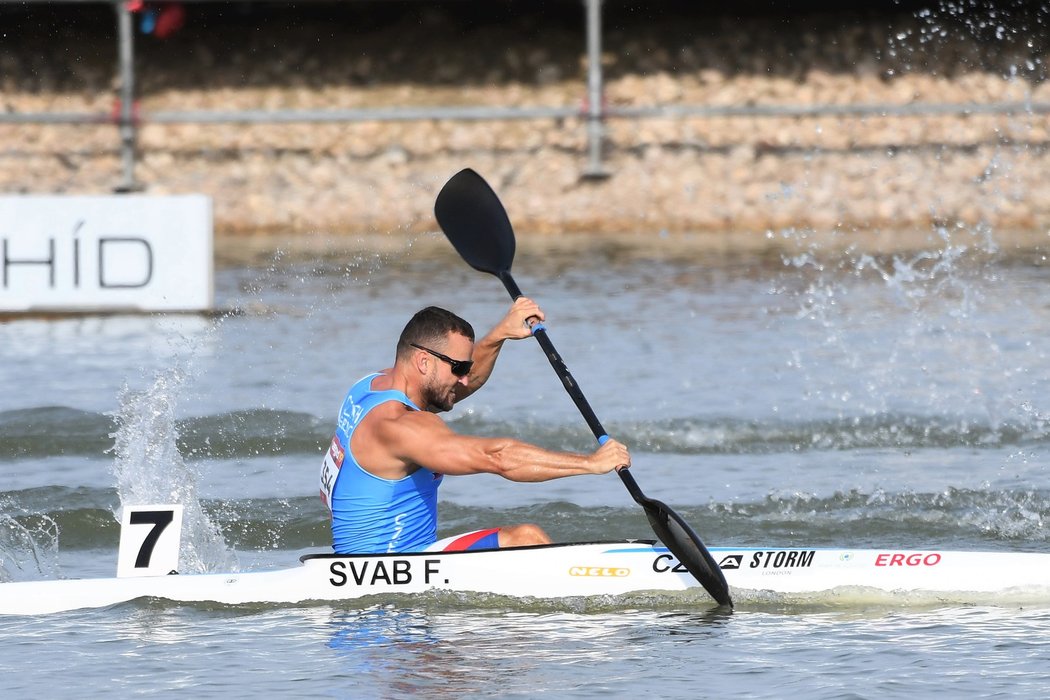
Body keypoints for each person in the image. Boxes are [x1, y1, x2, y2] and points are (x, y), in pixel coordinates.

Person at [319, 299, 631, 554]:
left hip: (386, 558)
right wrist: (591, 463)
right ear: (424, 362)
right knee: (526, 539)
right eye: (458, 367)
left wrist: (499, 335)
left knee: (522, 540)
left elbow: (455, 388)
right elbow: (498, 458)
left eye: (466, 367)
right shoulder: (401, 426)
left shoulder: (370, 387)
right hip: (388, 574)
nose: (465, 378)